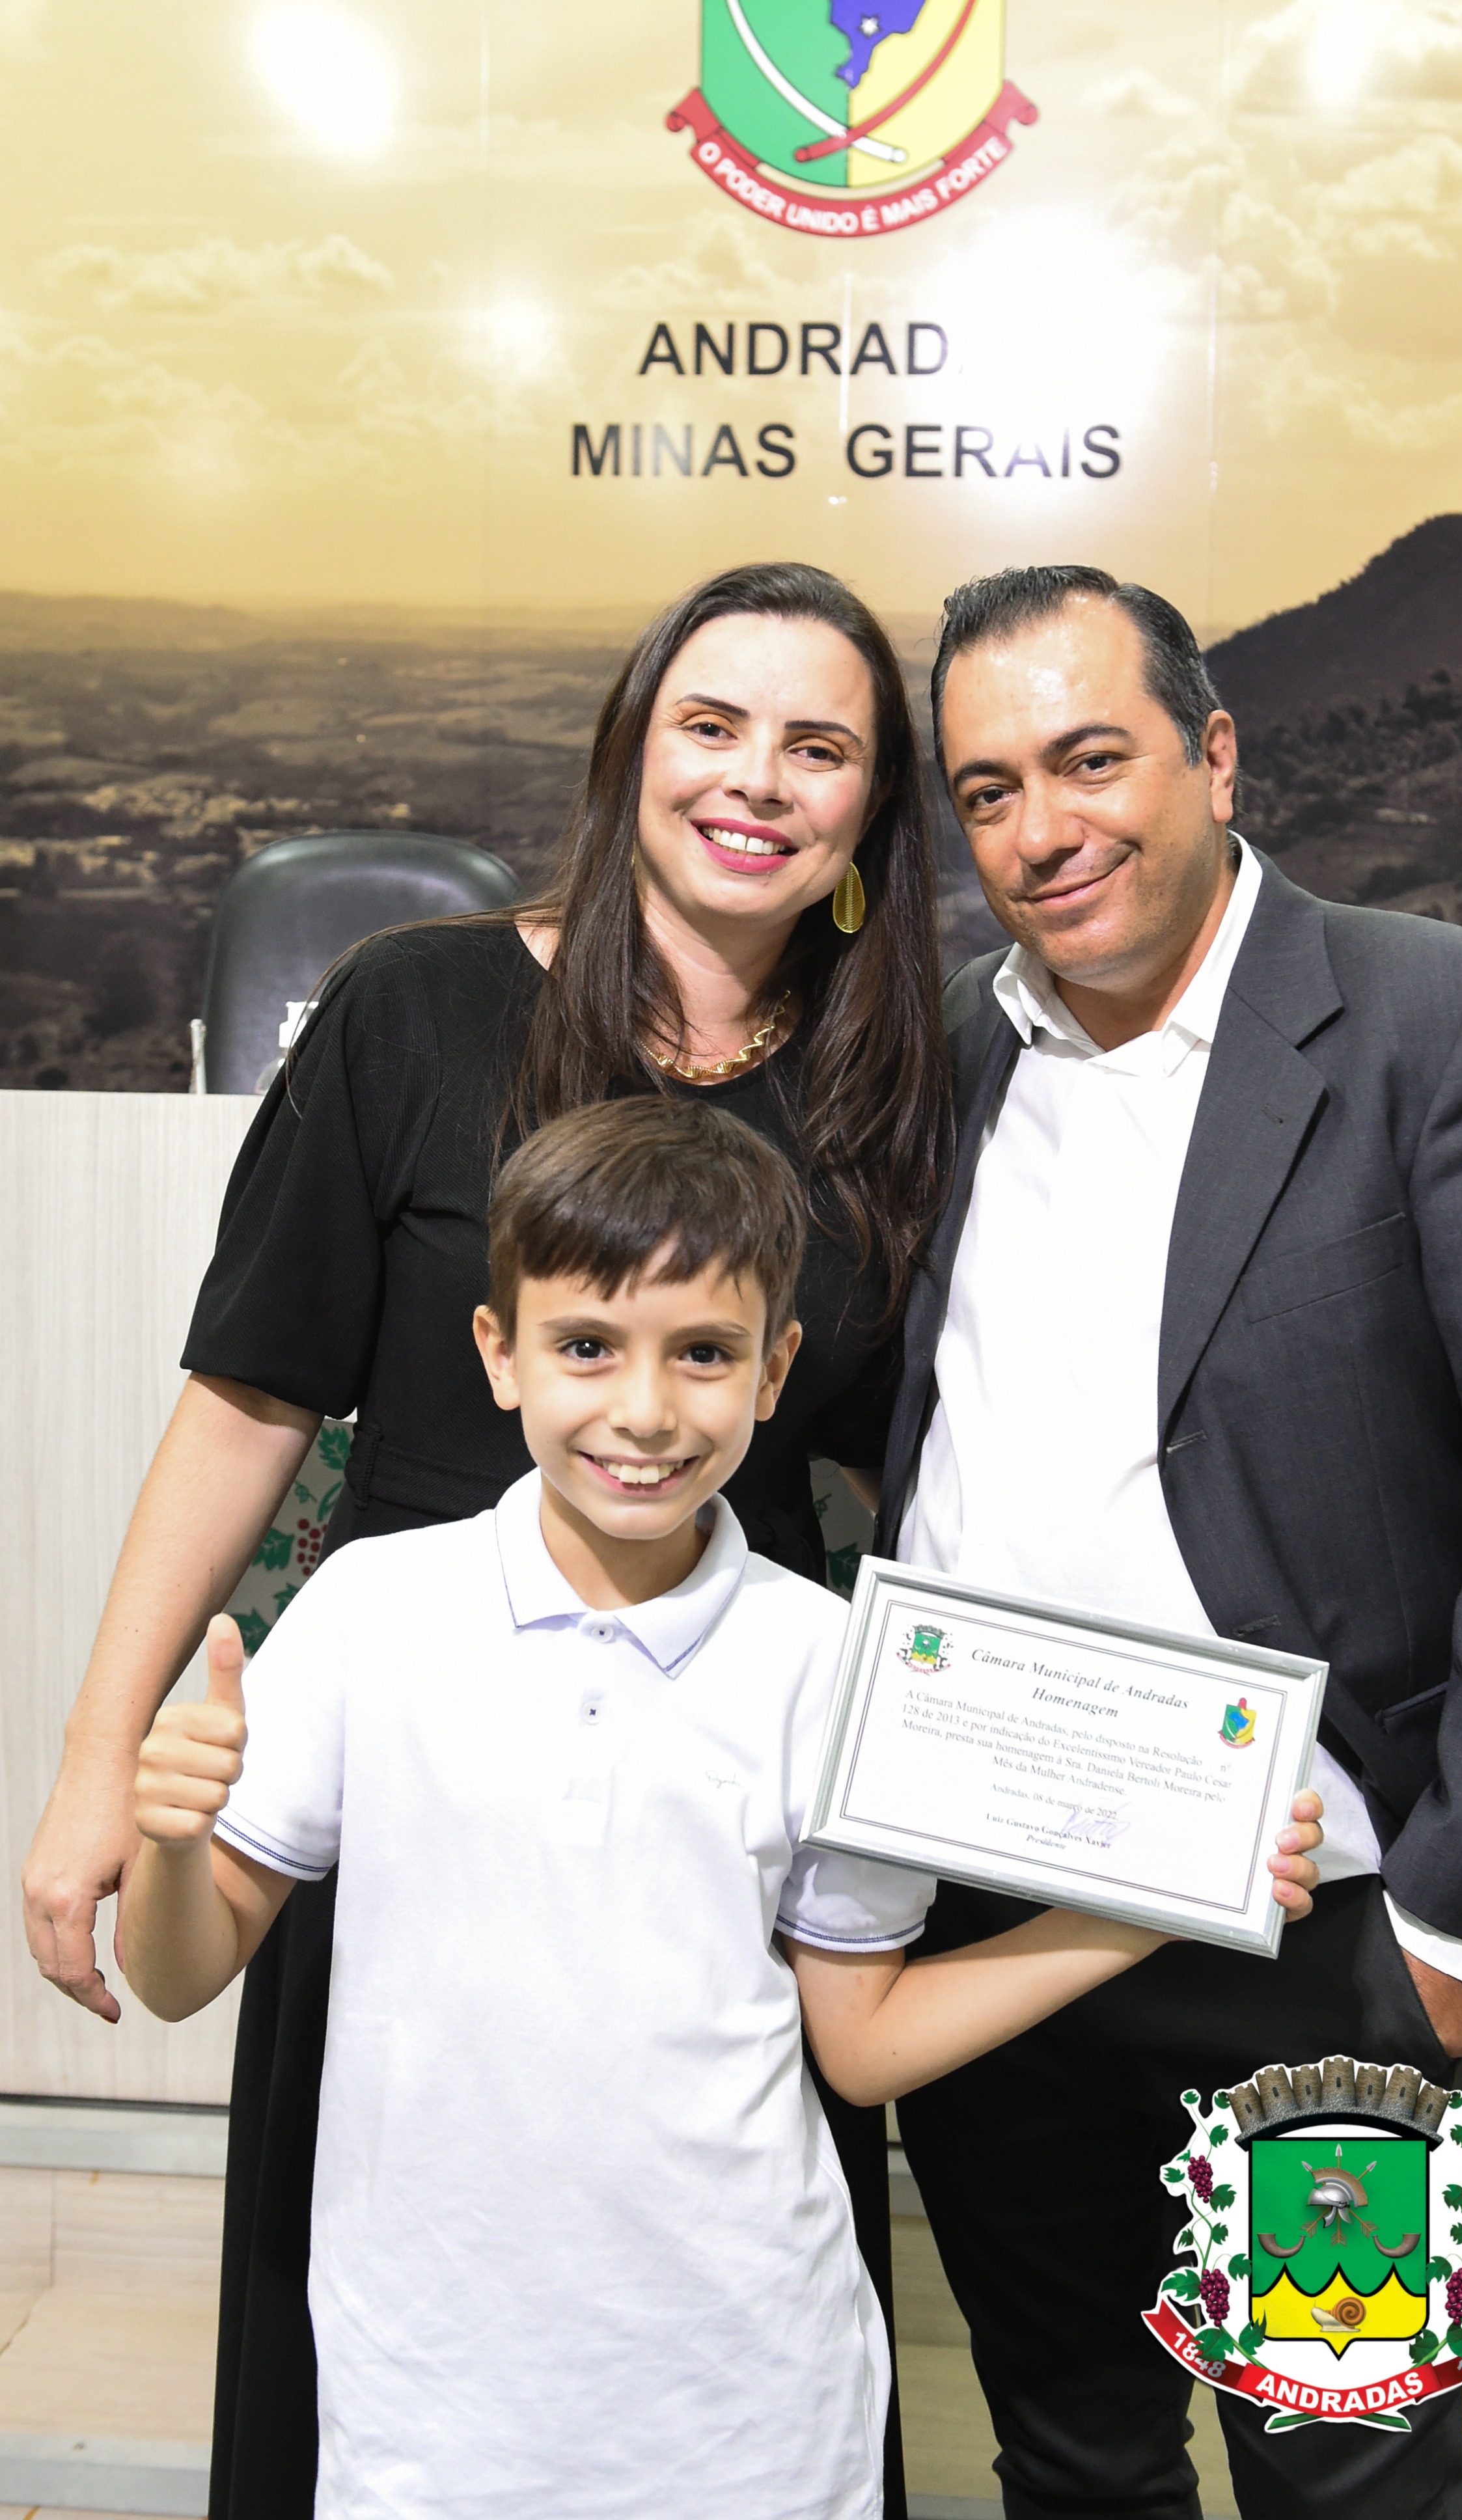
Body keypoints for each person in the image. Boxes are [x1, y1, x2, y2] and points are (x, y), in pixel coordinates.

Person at [23, 563, 952, 2519]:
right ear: (631, 750)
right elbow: (248, 1404)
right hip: (407, 1771)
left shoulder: (897, 1084)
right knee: (388, 2326)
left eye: (819, 748)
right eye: (711, 726)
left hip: (722, 1784)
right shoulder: (415, 1007)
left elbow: (927, 1461)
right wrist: (107, 1760)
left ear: (872, 813)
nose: (756, 780)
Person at [119, 1097, 1325, 2520]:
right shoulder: (371, 1611)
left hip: (749, 2405)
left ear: (774, 1370)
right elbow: (175, 1975)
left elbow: (862, 2046)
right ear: (498, 1354)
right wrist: (171, 1843)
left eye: (702, 1352)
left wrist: (1157, 1902)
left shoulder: (833, 1663)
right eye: (586, 1346)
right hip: (429, 2402)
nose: (644, 1410)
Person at [876, 565, 1462, 2520]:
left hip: (1319, 1958)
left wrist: (1448, 1946)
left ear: (1216, 756)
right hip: (995, 1929)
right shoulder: (956, 1054)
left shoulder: (1442, 1018)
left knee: (1353, 2489)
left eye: (1090, 760)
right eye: (987, 791)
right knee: (1072, 2461)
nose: (1041, 830)